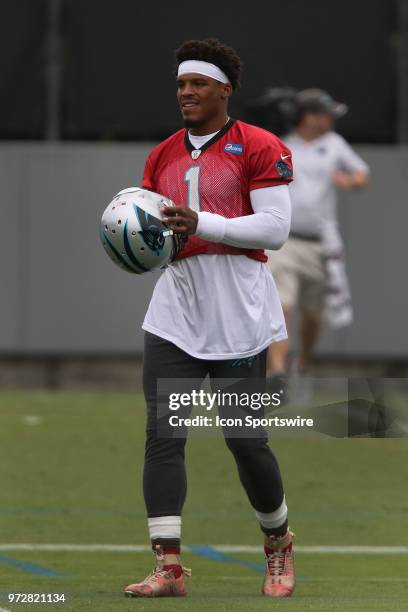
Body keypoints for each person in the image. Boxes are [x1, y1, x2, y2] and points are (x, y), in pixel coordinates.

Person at [124, 38, 295, 599]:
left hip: (239, 314)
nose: (186, 93)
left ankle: (277, 543)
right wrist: (133, 243)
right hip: (176, 312)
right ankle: (168, 567)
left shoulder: (259, 146)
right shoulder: (163, 154)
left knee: (245, 439)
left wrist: (205, 222)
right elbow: (157, 233)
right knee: (163, 434)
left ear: (225, 88)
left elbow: (274, 228)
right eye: (180, 84)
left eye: (198, 83)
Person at [267, 89, 369, 379]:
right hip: (285, 241)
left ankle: (304, 363)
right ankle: (277, 372)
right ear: (310, 118)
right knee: (281, 306)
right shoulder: (282, 146)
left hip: (319, 245)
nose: (332, 120)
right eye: (327, 114)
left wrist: (350, 180)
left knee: (312, 315)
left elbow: (362, 174)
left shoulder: (334, 144)